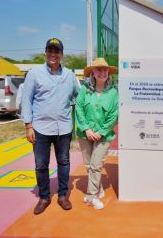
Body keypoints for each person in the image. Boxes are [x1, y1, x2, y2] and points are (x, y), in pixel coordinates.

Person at [21, 38, 80, 215]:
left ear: (62, 54)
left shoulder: (70, 75)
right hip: (40, 128)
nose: (53, 54)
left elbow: (79, 95)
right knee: (41, 165)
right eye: (50, 50)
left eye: (57, 51)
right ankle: (44, 197)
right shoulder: (34, 74)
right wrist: (28, 126)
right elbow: (26, 100)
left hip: (63, 127)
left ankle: (63, 195)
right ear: (45, 53)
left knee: (64, 162)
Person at [75, 58, 118, 210]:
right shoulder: (85, 89)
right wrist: (86, 129)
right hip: (84, 133)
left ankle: (91, 196)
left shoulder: (113, 92)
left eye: (105, 70)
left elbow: (114, 115)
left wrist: (100, 132)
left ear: (108, 73)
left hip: (104, 135)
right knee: (88, 165)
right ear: (93, 73)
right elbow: (79, 108)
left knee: (96, 164)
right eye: (98, 70)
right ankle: (97, 188)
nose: (102, 72)